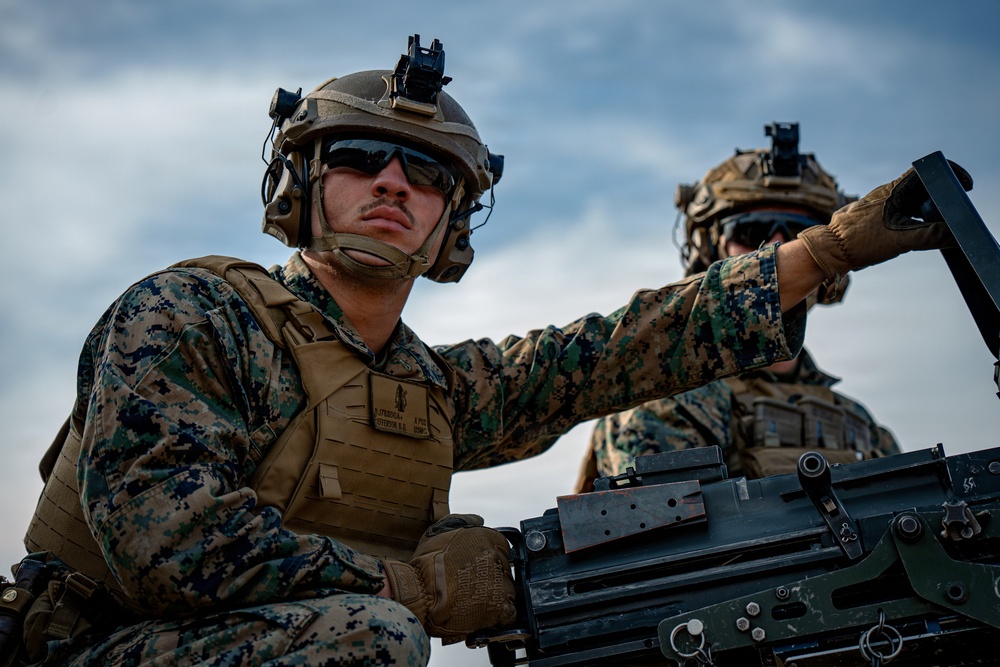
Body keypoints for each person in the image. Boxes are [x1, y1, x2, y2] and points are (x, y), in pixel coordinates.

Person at [14, 35, 964, 667]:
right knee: (375, 637)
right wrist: (416, 586)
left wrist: (829, 248)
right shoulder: (191, 314)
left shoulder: (430, 387)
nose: (393, 181)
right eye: (358, 156)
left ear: (451, 221)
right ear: (300, 183)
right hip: (90, 646)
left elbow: (607, 355)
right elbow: (172, 546)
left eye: (427, 171)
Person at [577, 123, 902, 492]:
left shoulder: (860, 425)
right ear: (711, 252)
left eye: (803, 235)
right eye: (753, 232)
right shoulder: (666, 402)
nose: (780, 249)